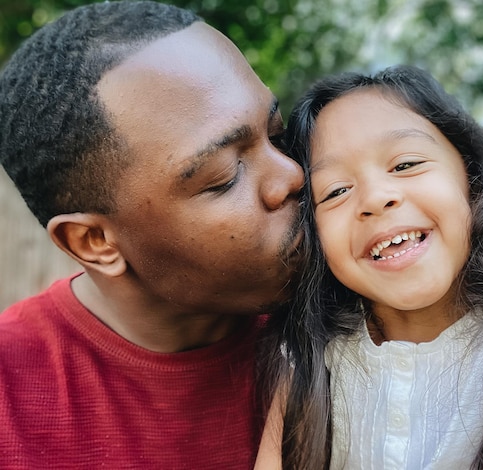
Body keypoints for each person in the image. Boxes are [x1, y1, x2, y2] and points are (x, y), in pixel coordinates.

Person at [256, 65, 483, 469]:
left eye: (405, 164)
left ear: (473, 179)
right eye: (336, 191)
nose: (377, 198)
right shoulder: (308, 348)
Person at [0, 1, 304, 468]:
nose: (292, 176)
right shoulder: (13, 406)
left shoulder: (373, 313)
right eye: (225, 176)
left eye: (276, 132)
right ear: (93, 242)